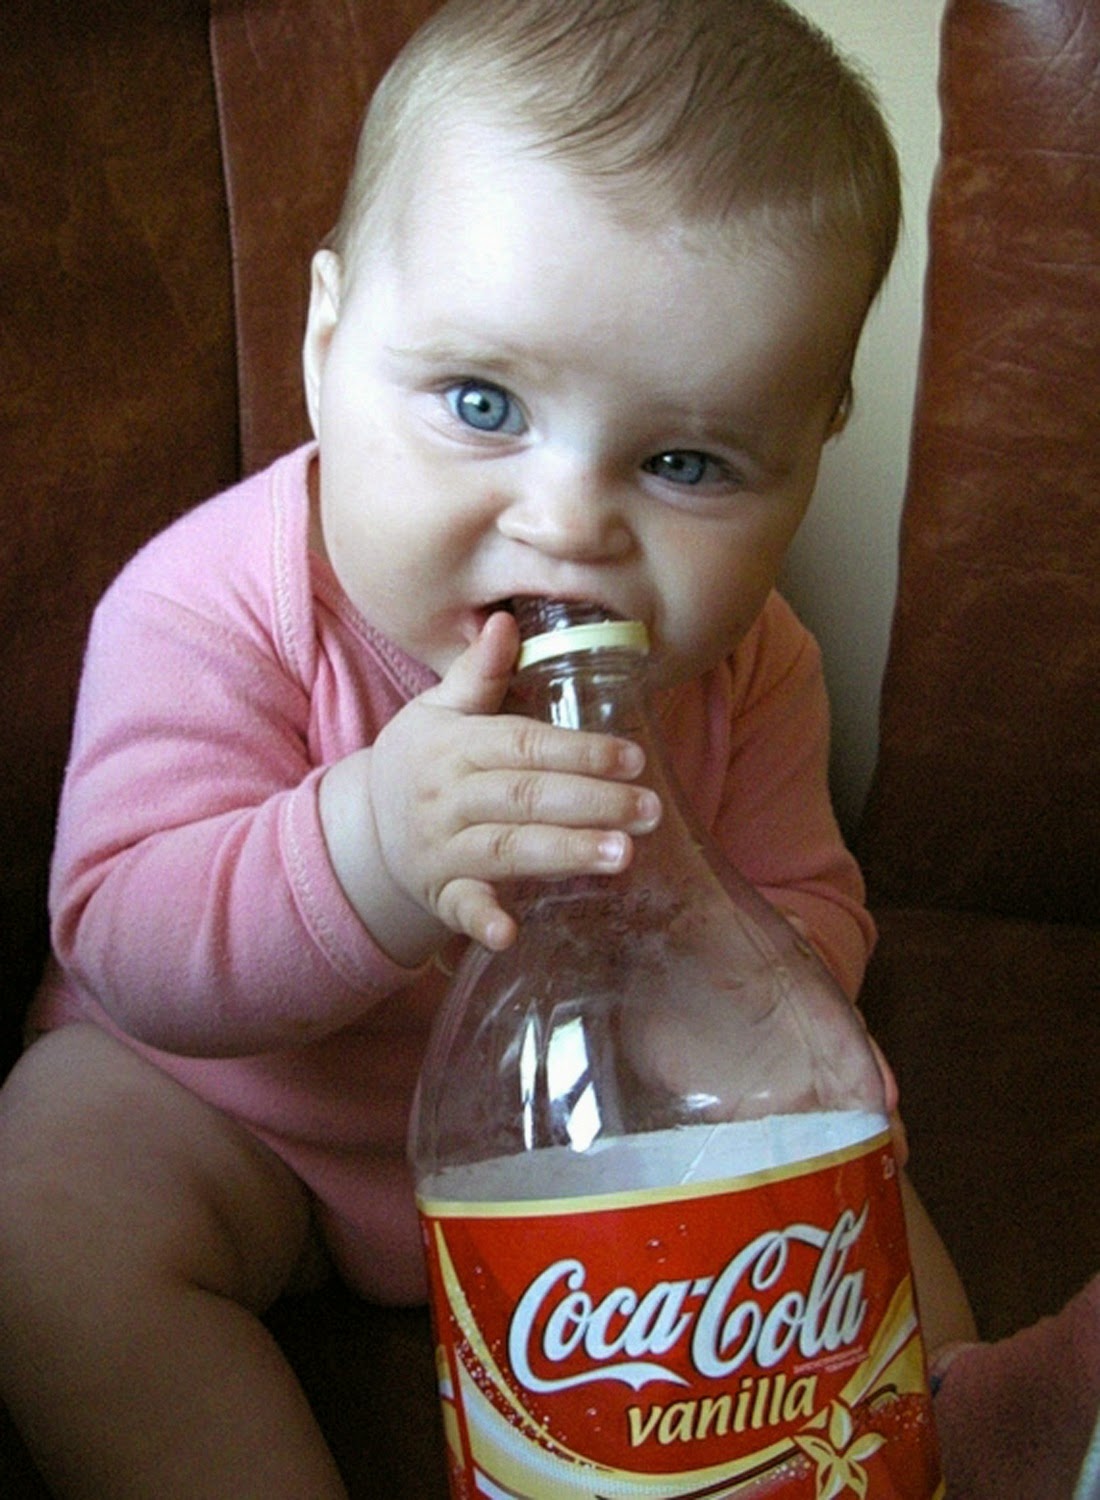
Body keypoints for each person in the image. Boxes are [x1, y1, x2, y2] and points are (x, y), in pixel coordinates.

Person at [0, 0, 980, 1494]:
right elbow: (122, 935)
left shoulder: (754, 661)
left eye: (685, 462)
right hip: (247, 1123)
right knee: (45, 1217)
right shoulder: (214, 602)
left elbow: (813, 907)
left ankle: (984, 1434)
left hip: (592, 1142)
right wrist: (370, 847)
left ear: (806, 460)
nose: (569, 524)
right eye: (482, 404)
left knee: (872, 1193)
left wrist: (724, 1012)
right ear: (327, 344)